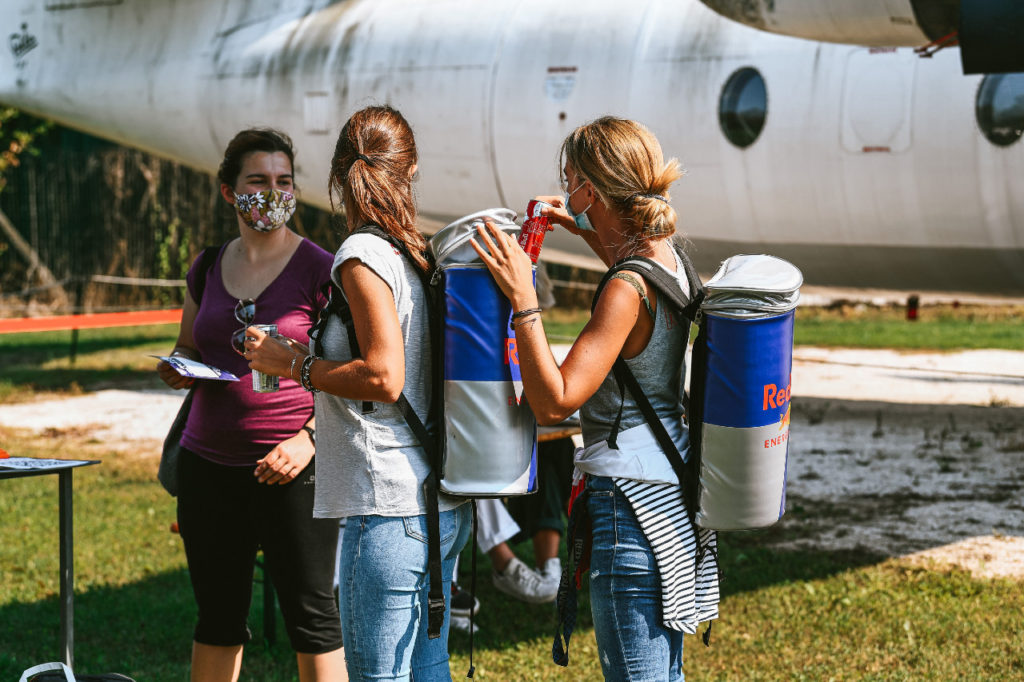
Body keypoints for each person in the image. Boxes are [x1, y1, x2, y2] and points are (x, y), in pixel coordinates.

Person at [469, 116, 720, 680]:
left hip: (627, 507)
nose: (564, 189)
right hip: (670, 493)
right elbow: (631, 272)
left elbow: (555, 402)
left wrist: (523, 298)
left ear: (592, 189)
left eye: (569, 179)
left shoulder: (624, 288)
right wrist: (581, 227)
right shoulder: (671, 260)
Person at [244, 105, 472, 681]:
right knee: (427, 667)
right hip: (436, 500)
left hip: (389, 505)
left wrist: (294, 362)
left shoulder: (362, 254)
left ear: (339, 172)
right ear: (411, 170)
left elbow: (383, 376)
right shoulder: (415, 251)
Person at [156, 128, 346, 681]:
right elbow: (190, 343)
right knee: (217, 618)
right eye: (258, 181)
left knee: (312, 619)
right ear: (228, 192)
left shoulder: (323, 270)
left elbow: (348, 376)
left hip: (292, 468)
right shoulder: (208, 265)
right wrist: (178, 364)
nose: (273, 192)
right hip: (206, 466)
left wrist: (308, 440)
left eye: (284, 181)